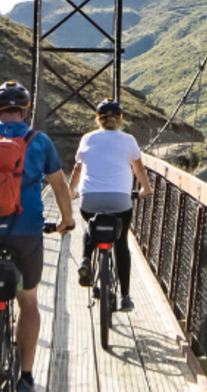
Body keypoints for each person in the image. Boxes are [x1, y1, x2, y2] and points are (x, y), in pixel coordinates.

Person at [0, 80, 75, 392]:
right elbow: (60, 186)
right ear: (25, 109)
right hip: (25, 233)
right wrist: (66, 220)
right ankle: (26, 377)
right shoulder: (40, 141)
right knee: (28, 301)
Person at [68, 98, 152, 312]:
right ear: (119, 120)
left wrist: (71, 190)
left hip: (90, 201)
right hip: (120, 202)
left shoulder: (87, 138)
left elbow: (78, 169)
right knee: (121, 241)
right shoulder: (128, 140)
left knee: (90, 225)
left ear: (98, 120)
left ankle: (86, 259)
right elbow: (140, 170)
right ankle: (125, 297)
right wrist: (145, 189)